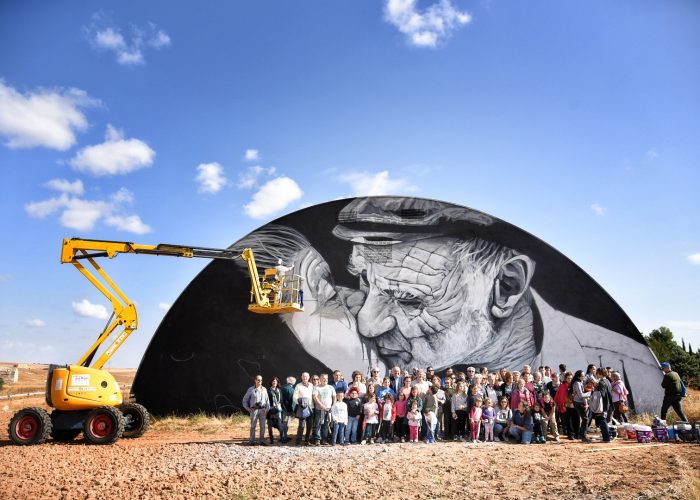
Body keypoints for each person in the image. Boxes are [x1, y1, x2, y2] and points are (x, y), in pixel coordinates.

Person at [241, 374, 270, 446]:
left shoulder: (264, 389)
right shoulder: (251, 389)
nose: (260, 381)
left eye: (261, 380)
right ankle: (251, 441)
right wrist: (248, 408)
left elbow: (267, 401)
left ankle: (262, 441)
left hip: (263, 410)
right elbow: (244, 400)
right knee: (253, 426)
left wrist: (267, 409)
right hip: (254, 410)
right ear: (255, 380)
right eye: (258, 380)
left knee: (263, 426)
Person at [311, 374, 335, 445]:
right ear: (320, 379)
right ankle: (318, 439)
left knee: (326, 425)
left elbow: (334, 397)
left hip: (328, 410)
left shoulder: (331, 387)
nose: (325, 380)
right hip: (319, 409)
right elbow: (315, 397)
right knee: (318, 424)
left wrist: (333, 406)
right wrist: (321, 405)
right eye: (323, 378)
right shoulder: (317, 387)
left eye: (326, 378)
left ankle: (324, 440)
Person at [293, 372, 314, 445]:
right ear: (301, 377)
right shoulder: (298, 386)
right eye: (303, 376)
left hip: (311, 408)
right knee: (301, 426)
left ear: (308, 378)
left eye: (306, 377)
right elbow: (295, 397)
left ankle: (307, 441)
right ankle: (298, 442)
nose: (305, 378)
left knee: (309, 426)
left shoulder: (311, 385)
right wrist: (300, 403)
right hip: (302, 408)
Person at [571, 370, 592, 442]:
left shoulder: (580, 382)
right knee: (585, 419)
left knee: (585, 419)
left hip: (581, 402)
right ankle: (583, 436)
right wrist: (590, 393)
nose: (584, 377)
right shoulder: (577, 383)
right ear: (578, 377)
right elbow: (580, 395)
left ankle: (582, 434)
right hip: (578, 402)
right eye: (582, 376)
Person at [267, 377, 286, 444]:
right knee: (269, 425)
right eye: (273, 381)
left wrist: (279, 403)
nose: (274, 382)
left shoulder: (279, 390)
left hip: (278, 409)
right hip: (270, 409)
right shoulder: (268, 391)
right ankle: (271, 439)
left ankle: (282, 438)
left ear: (277, 383)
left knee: (280, 425)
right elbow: (267, 400)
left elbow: (281, 400)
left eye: (276, 381)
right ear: (271, 382)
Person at [280, 376, 296, 441]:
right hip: (287, 410)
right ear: (293, 382)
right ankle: (284, 438)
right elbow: (293, 402)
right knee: (286, 424)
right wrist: (293, 411)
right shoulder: (292, 389)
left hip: (280, 409)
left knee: (282, 423)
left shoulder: (281, 387)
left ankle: (283, 437)